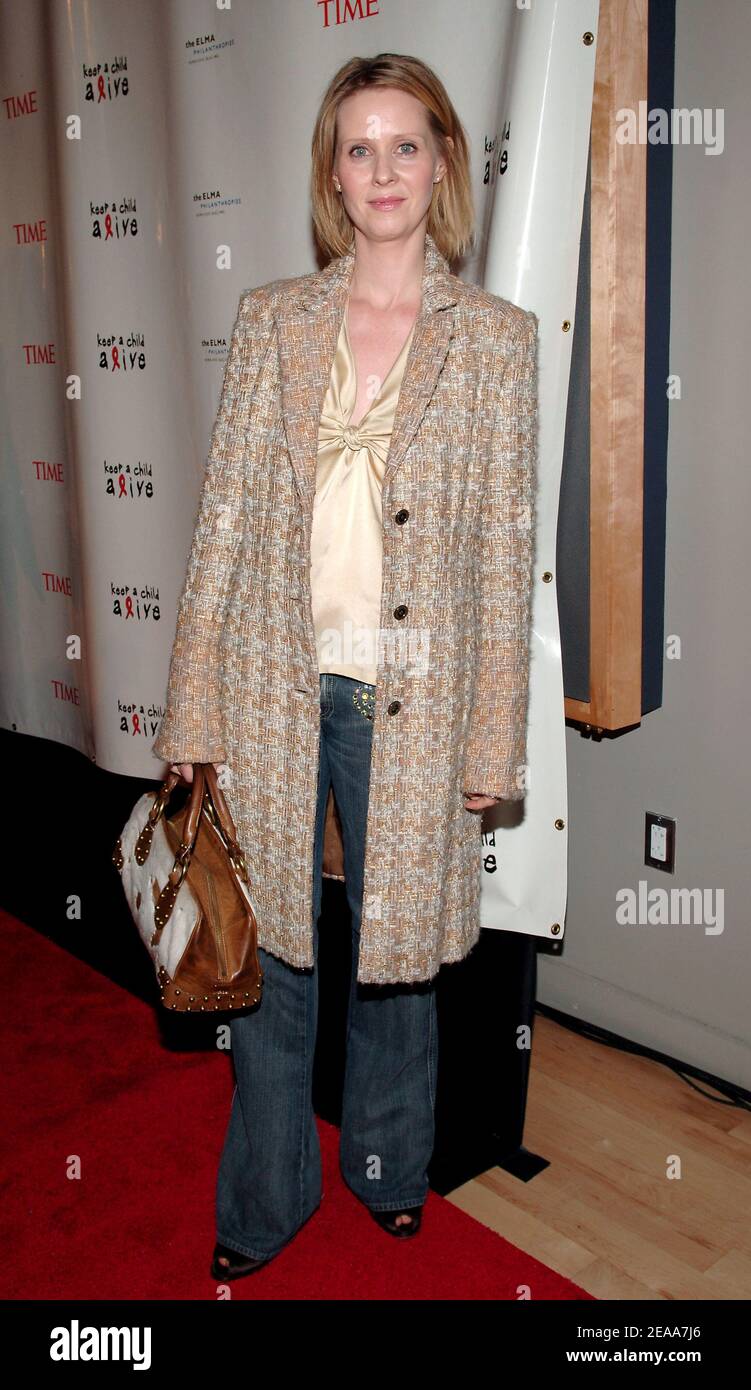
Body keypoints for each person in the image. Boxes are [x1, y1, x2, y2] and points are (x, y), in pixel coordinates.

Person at [152, 52, 539, 1280]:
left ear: (441, 165)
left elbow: (501, 552)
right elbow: (219, 526)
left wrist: (493, 740)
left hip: (412, 697)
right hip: (272, 682)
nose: (382, 170)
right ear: (332, 169)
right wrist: (192, 707)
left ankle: (386, 1160)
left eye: (405, 144)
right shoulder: (273, 317)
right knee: (267, 956)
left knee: (397, 954)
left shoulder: (496, 341)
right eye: (357, 147)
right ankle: (266, 1197)